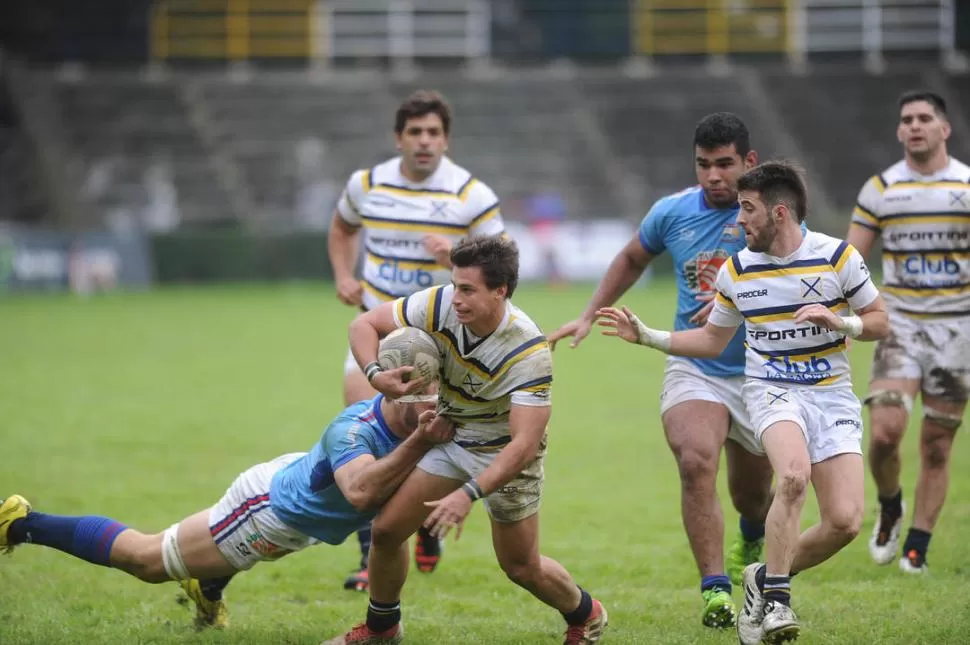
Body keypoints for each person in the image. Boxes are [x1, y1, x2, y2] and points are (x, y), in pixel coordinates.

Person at [596, 161, 889, 644]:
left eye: (747, 210)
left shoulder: (838, 259)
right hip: (772, 390)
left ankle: (759, 575)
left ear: (778, 213)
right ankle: (776, 601)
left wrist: (844, 325)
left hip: (831, 396)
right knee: (793, 476)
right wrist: (648, 337)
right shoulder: (737, 271)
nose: (738, 222)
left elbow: (879, 320)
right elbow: (712, 341)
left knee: (845, 522)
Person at [548, 112, 774, 628]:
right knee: (696, 462)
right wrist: (588, 313)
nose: (714, 176)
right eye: (703, 165)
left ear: (750, 162)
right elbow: (632, 257)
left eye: (725, 165)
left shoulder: (773, 217)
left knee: (752, 494)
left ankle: (752, 533)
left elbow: (803, 274)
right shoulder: (672, 212)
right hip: (694, 365)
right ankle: (716, 591)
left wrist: (742, 298)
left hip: (762, 372)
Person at [325, 235, 608, 645]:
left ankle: (587, 613)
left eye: (468, 289)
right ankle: (382, 629)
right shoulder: (439, 303)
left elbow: (523, 445)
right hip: (455, 436)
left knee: (520, 567)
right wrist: (374, 374)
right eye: (455, 285)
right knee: (386, 532)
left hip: (504, 454)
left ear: (501, 291)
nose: (456, 298)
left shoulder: (528, 353)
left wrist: (467, 495)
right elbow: (363, 323)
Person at [0, 375, 451, 631]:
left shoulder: (421, 418)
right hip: (266, 510)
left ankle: (207, 586)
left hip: (299, 506)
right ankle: (20, 520)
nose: (438, 405)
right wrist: (420, 443)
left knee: (206, 558)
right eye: (429, 394)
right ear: (396, 389)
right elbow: (362, 493)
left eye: (441, 393)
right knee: (147, 560)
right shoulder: (355, 428)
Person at [327, 89, 506, 590]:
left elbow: (505, 262)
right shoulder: (367, 184)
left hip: (440, 340)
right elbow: (341, 227)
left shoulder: (471, 194)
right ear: (399, 138)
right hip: (376, 330)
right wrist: (343, 273)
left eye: (434, 133)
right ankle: (370, 559)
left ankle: (425, 526)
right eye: (415, 132)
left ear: (446, 140)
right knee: (365, 437)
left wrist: (455, 252)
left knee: (423, 440)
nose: (425, 142)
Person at [847, 90, 970, 574]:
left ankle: (918, 543)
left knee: (938, 444)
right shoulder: (881, 188)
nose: (915, 126)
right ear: (899, 132)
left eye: (925, 118)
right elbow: (849, 262)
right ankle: (890, 504)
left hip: (958, 329)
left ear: (945, 128)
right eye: (907, 120)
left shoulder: (966, 186)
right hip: (900, 326)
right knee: (884, 435)